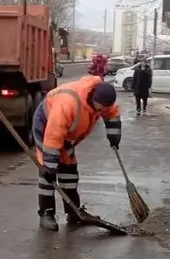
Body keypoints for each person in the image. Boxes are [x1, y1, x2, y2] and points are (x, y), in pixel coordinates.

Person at [31, 75, 122, 231]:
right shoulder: (68, 103)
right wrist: (50, 166)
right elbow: (53, 136)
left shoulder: (103, 97)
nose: (100, 112)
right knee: (48, 174)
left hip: (67, 136)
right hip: (46, 127)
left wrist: (114, 136)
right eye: (99, 108)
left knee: (69, 171)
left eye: (103, 109)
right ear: (92, 97)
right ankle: (46, 213)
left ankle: (73, 212)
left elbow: (112, 113)